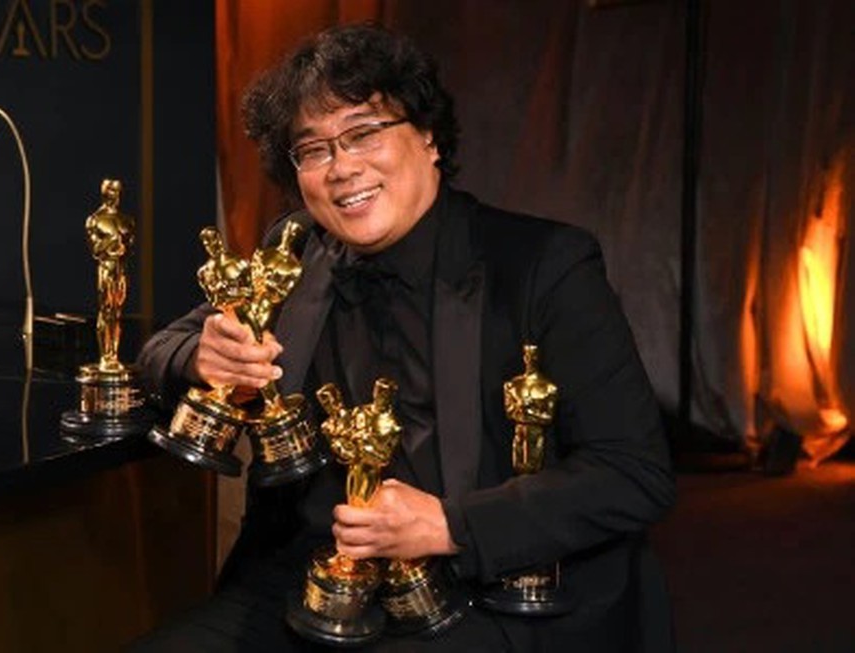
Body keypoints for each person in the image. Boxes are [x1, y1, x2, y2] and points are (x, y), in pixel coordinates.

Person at [133, 24, 676, 653]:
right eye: (312, 149)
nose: (342, 168)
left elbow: (633, 472)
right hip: (315, 583)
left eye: (363, 132)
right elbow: (162, 348)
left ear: (427, 136)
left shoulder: (544, 266)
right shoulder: (295, 250)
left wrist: (450, 524)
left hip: (488, 587)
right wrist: (199, 355)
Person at [86, 178, 134, 370]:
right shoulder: (95, 220)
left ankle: (114, 354)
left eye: (117, 191)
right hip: (106, 268)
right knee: (106, 312)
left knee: (117, 313)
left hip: (120, 269)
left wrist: (121, 246)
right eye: (111, 191)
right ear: (104, 192)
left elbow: (130, 248)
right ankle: (105, 356)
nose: (114, 195)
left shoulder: (127, 220)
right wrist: (112, 241)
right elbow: (96, 249)